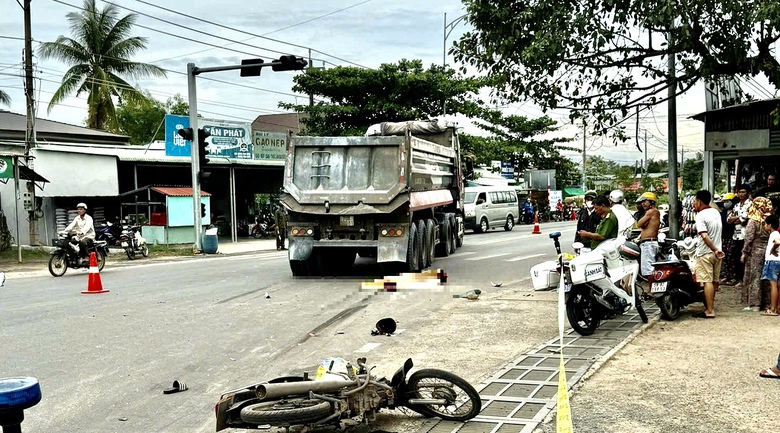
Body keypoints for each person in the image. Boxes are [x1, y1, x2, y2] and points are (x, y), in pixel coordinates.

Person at [692, 190, 725, 319]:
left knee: (707, 282)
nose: (694, 204)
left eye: (695, 201)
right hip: (718, 252)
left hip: (706, 252)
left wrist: (713, 249)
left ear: (699, 201)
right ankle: (710, 306)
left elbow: (704, 235)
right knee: (715, 281)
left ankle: (709, 310)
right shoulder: (715, 212)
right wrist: (717, 250)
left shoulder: (700, 215)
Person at [740, 197, 775, 312]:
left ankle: (755, 304)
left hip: (755, 252)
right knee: (767, 277)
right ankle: (767, 303)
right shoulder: (771, 220)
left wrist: (744, 252)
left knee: (755, 277)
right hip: (770, 250)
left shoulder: (753, 221)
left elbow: (749, 238)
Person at [726, 184, 752, 287]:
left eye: (743, 192)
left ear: (748, 193)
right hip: (736, 236)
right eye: (739, 192)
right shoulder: (736, 205)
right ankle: (739, 279)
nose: (741, 194)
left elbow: (744, 219)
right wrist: (736, 219)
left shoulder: (750, 205)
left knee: (745, 258)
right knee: (736, 258)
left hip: (746, 235)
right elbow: (729, 220)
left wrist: (736, 219)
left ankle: (745, 280)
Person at [636, 192, 661, 281]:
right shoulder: (655, 212)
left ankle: (651, 291)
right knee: (650, 267)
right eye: (642, 202)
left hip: (648, 243)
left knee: (648, 269)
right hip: (650, 242)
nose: (643, 204)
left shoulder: (651, 212)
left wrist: (643, 223)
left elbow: (639, 224)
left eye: (645, 201)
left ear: (651, 202)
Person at [759, 214, 780, 316]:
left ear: (769, 225)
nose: (764, 226)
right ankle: (777, 307)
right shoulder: (776, 233)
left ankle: (773, 309)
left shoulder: (774, 234)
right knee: (777, 285)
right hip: (777, 261)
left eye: (765, 224)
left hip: (773, 261)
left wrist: (772, 250)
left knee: (773, 285)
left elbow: (777, 242)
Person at [718, 193, 737, 283]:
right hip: (724, 238)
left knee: (732, 258)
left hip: (732, 237)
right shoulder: (722, 212)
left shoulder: (736, 210)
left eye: (727, 201)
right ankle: (727, 275)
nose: (726, 203)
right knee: (725, 257)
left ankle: (733, 277)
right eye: (724, 201)